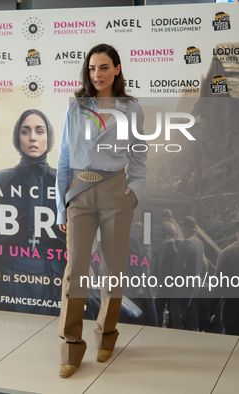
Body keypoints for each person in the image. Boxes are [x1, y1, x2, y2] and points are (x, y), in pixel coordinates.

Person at [55, 43, 147, 378]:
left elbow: (139, 155)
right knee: (74, 272)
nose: (97, 74)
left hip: (115, 192)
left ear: (117, 69)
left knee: (112, 269)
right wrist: (60, 206)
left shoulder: (132, 108)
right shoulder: (76, 107)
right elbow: (64, 158)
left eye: (104, 67)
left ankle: (106, 335)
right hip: (79, 191)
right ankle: (70, 346)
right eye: (92, 68)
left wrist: (134, 190)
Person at [0, 109, 66, 315]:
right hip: (11, 274)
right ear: (17, 138)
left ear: (49, 137)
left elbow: (74, 233)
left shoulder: (62, 180)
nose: (33, 138)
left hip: (53, 276)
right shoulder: (3, 178)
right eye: (25, 131)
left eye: (40, 131)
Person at [169, 216, 205, 331]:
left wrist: (175, 285)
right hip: (195, 285)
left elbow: (179, 267)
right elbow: (204, 265)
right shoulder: (199, 242)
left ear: (184, 229)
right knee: (191, 315)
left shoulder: (186, 243)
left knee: (177, 314)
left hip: (184, 286)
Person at [152, 222, 180, 327]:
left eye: (162, 231)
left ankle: (169, 327)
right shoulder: (164, 244)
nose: (160, 233)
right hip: (162, 282)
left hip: (169, 282)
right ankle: (158, 326)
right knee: (158, 306)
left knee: (170, 307)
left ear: (167, 232)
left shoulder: (175, 243)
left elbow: (176, 261)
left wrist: (171, 245)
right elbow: (158, 261)